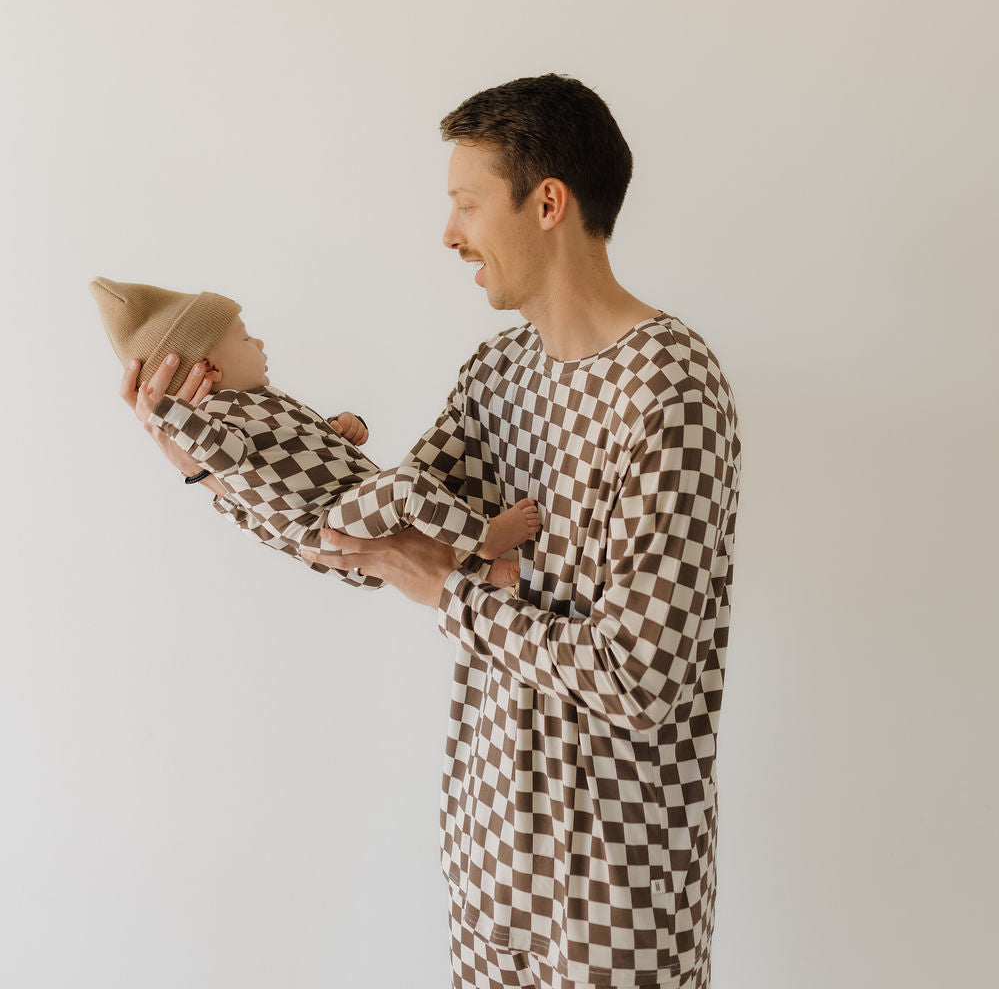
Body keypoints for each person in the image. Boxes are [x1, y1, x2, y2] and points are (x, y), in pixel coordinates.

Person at [124, 73, 742, 989]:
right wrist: (215, 456)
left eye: (465, 203)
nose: (449, 234)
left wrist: (450, 590)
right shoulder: (498, 373)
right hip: (491, 864)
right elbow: (368, 548)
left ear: (547, 203)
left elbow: (639, 679)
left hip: (619, 889)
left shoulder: (670, 390)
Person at [94, 277, 536, 587]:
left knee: (450, 433)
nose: (260, 345)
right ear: (210, 368)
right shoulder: (218, 418)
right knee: (406, 488)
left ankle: (477, 561)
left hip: (358, 489)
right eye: (246, 339)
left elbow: (302, 449)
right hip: (330, 522)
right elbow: (223, 453)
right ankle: (485, 541)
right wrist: (168, 413)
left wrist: (346, 428)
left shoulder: (261, 400)